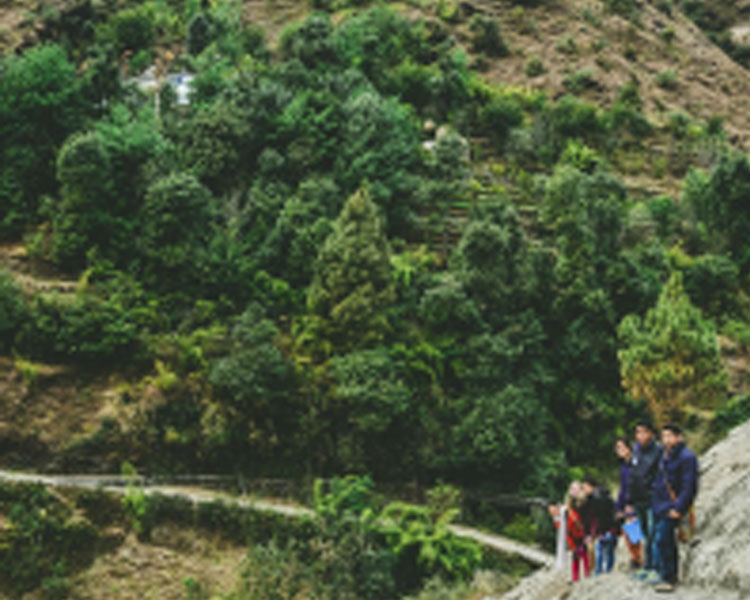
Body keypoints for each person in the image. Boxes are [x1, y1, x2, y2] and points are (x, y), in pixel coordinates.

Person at [651, 423, 699, 593]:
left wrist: (679, 508)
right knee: (662, 540)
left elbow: (690, 486)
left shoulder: (687, 457)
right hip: (661, 506)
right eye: (663, 436)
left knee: (665, 539)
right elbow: (659, 482)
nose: (666, 440)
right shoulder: (665, 456)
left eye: (669, 436)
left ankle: (670, 578)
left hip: (673, 505)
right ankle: (665, 574)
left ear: (679, 437)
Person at [629, 420, 662, 579]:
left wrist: (654, 492)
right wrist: (630, 500)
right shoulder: (636, 451)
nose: (640, 435)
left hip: (652, 499)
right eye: (637, 432)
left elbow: (661, 475)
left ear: (651, 434)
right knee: (644, 535)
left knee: (653, 535)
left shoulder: (658, 451)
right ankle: (647, 566)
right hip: (638, 500)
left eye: (644, 432)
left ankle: (655, 568)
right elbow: (633, 476)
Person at [549, 481, 589, 583]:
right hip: (573, 534)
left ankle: (586, 574)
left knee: (583, 553)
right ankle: (576, 577)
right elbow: (564, 530)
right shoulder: (565, 510)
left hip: (581, 531)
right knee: (576, 555)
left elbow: (581, 520)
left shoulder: (580, 505)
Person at [615, 437, 642, 570]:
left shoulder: (636, 463)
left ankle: (639, 558)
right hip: (627, 504)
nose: (621, 450)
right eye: (618, 448)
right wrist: (618, 507)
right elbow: (623, 488)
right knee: (628, 531)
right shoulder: (623, 467)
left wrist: (631, 502)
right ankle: (635, 557)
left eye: (623, 447)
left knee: (634, 531)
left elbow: (637, 484)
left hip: (637, 502)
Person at [581, 476, 618, 576]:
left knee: (602, 550)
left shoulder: (596, 499)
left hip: (607, 528)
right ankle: (606, 570)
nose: (583, 490)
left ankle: (600, 571)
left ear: (590, 486)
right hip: (610, 528)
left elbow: (599, 517)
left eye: (584, 487)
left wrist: (595, 533)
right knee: (607, 551)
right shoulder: (603, 495)